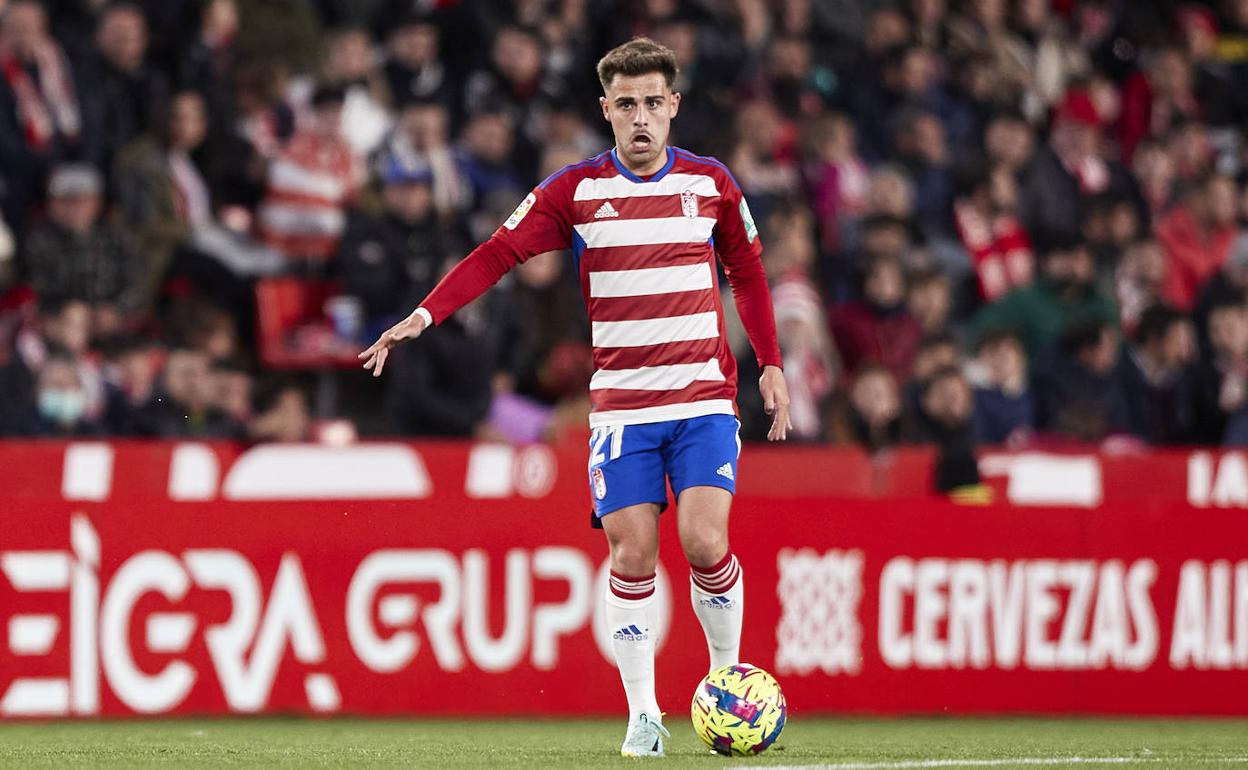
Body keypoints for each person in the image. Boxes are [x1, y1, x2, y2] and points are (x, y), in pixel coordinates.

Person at [357, 37, 789, 758]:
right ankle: (644, 715)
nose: (642, 117)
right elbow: (497, 251)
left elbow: (747, 272)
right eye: (627, 105)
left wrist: (770, 362)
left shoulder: (712, 183)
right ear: (607, 111)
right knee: (632, 554)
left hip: (701, 399)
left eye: (655, 102)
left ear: (674, 106)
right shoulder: (576, 191)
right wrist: (425, 314)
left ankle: (724, 683)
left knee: (706, 539)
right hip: (621, 408)